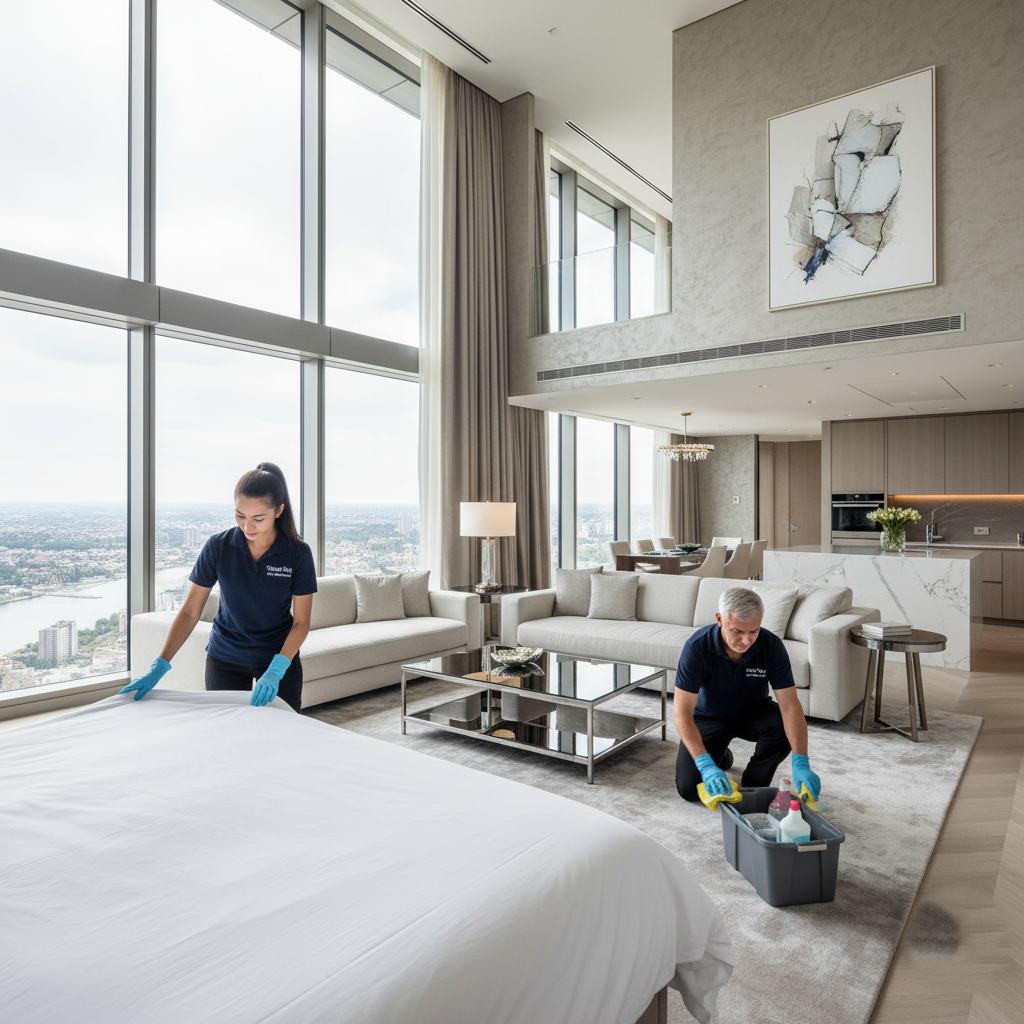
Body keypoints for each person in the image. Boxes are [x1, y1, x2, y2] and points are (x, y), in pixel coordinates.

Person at [119, 462, 317, 712]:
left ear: (278, 511)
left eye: (258, 518)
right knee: (225, 737)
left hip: (278, 658)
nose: (248, 527)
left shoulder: (297, 553)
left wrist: (277, 668)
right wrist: (159, 665)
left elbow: (302, 622)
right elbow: (190, 611)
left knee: (282, 738)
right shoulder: (218, 546)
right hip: (224, 660)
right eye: (240, 516)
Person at [674, 587, 821, 803]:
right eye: (737, 631)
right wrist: (705, 764)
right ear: (720, 619)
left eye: (754, 631)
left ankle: (754, 783)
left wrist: (801, 761)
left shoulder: (771, 646)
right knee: (689, 789)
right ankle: (719, 755)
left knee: (781, 723)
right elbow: (681, 713)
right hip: (708, 717)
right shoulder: (697, 648)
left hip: (753, 712)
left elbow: (790, 706)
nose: (746, 641)